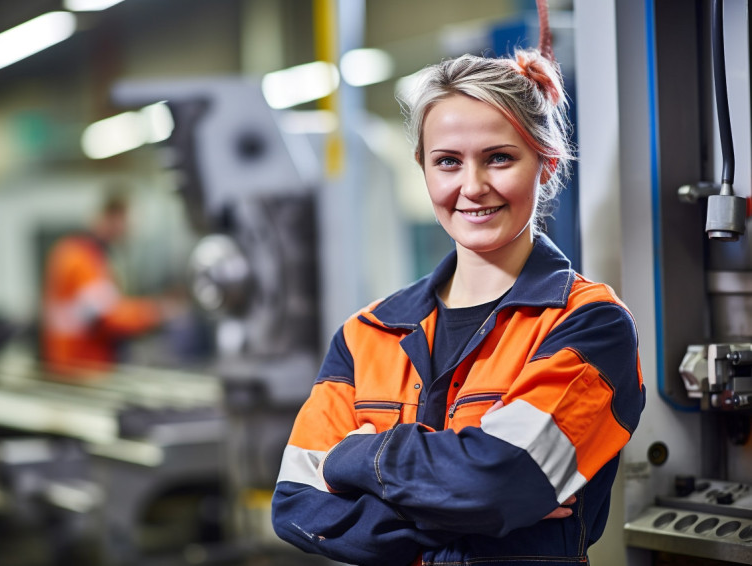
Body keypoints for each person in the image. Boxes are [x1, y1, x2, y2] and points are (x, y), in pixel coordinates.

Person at [271, 46, 646, 566]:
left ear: (545, 164)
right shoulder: (367, 333)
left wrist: (358, 457)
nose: (472, 187)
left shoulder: (589, 324)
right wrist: (469, 511)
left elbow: (499, 482)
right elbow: (296, 506)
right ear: (423, 169)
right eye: (448, 161)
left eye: (499, 158)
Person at [41, 192, 167, 375]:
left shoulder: (71, 250)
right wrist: (156, 312)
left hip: (73, 365)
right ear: (114, 218)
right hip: (81, 368)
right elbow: (108, 316)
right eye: (127, 221)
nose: (130, 229)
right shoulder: (81, 258)